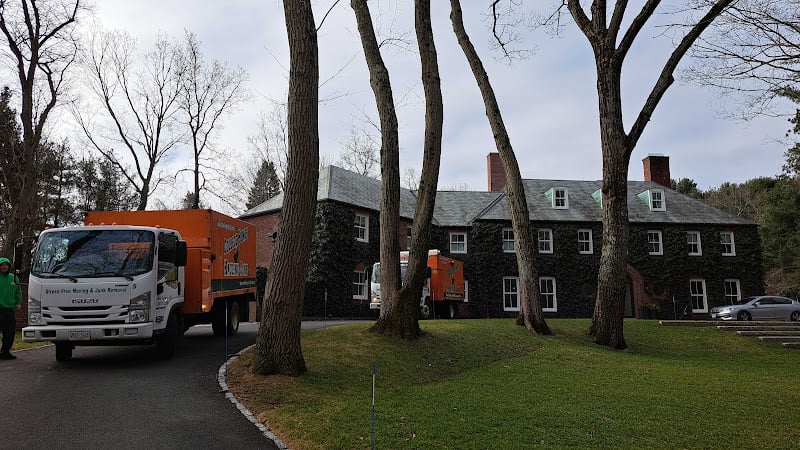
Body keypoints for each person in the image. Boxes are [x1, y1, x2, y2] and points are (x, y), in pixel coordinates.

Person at [0, 257, 22, 360]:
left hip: (9, 310)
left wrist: (18, 302)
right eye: (2, 265)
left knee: (10, 332)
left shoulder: (14, 278)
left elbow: (18, 291)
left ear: (9, 266)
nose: (4, 267)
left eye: (6, 265)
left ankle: (5, 352)